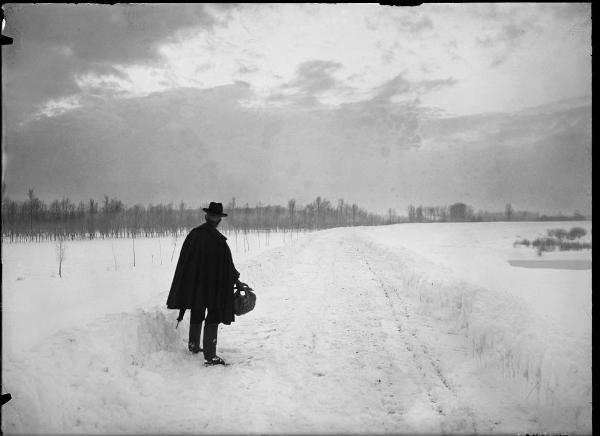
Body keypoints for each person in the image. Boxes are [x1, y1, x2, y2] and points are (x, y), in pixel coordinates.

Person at [166, 202, 248, 366]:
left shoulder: (194, 235)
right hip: (213, 289)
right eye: (215, 216)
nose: (215, 219)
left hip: (196, 287)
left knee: (197, 311)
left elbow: (186, 263)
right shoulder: (218, 241)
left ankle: (194, 345)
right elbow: (227, 268)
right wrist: (237, 282)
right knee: (213, 316)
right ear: (218, 220)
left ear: (207, 217)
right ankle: (210, 356)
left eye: (215, 216)